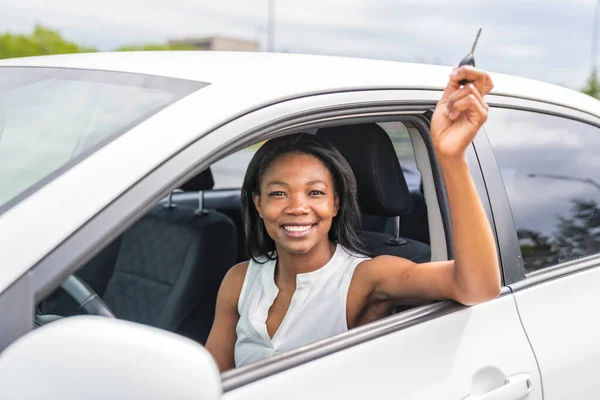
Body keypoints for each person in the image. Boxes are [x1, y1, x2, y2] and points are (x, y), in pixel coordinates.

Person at [205, 65, 501, 372]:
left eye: (315, 193)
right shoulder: (239, 281)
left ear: (335, 204)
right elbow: (213, 380)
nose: (297, 207)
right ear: (259, 204)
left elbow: (477, 286)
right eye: (279, 194)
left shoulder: (366, 278)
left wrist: (451, 158)